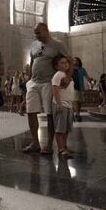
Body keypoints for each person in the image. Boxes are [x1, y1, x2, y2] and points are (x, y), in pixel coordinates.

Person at [23, 22, 70, 154]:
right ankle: (35, 143)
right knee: (30, 111)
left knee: (50, 114)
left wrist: (67, 77)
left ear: (46, 31)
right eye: (35, 33)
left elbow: (69, 60)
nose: (36, 35)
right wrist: (29, 78)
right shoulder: (34, 45)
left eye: (38, 32)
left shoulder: (58, 44)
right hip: (33, 82)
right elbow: (32, 62)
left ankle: (49, 145)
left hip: (48, 82)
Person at [52, 54, 75, 159]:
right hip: (61, 104)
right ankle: (60, 148)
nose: (65, 64)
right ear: (57, 66)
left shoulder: (66, 75)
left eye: (66, 62)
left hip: (68, 104)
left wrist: (72, 105)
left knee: (66, 128)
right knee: (60, 128)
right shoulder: (58, 75)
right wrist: (59, 104)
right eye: (62, 63)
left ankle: (64, 146)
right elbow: (55, 90)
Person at [72, 57, 90, 122]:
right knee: (75, 101)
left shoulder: (82, 69)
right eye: (74, 60)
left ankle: (77, 113)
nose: (75, 61)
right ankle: (77, 115)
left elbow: (87, 77)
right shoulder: (71, 69)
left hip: (81, 88)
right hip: (73, 87)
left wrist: (90, 82)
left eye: (76, 60)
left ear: (79, 62)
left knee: (79, 102)